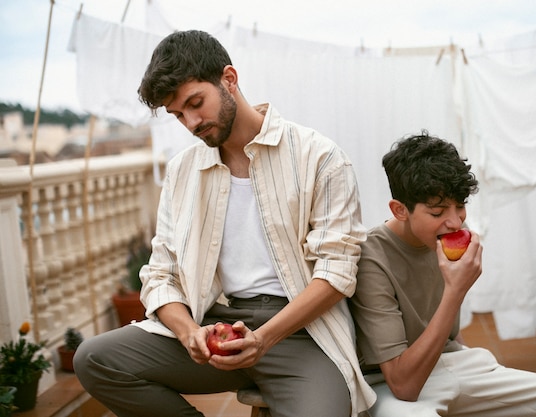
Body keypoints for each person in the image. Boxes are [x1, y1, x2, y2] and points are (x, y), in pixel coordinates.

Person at [73, 30, 375, 417]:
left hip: (301, 334)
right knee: (95, 359)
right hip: (213, 323)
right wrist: (189, 333)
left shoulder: (320, 157)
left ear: (229, 79)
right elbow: (160, 274)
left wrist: (263, 339)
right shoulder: (183, 171)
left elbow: (337, 273)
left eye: (196, 103)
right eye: (178, 114)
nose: (191, 122)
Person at [348, 132, 536, 416]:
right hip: (388, 383)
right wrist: (456, 290)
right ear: (400, 210)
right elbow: (403, 385)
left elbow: (451, 337)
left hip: (453, 363)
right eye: (438, 211)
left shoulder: (440, 241)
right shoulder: (371, 258)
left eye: (460, 206)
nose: (454, 222)